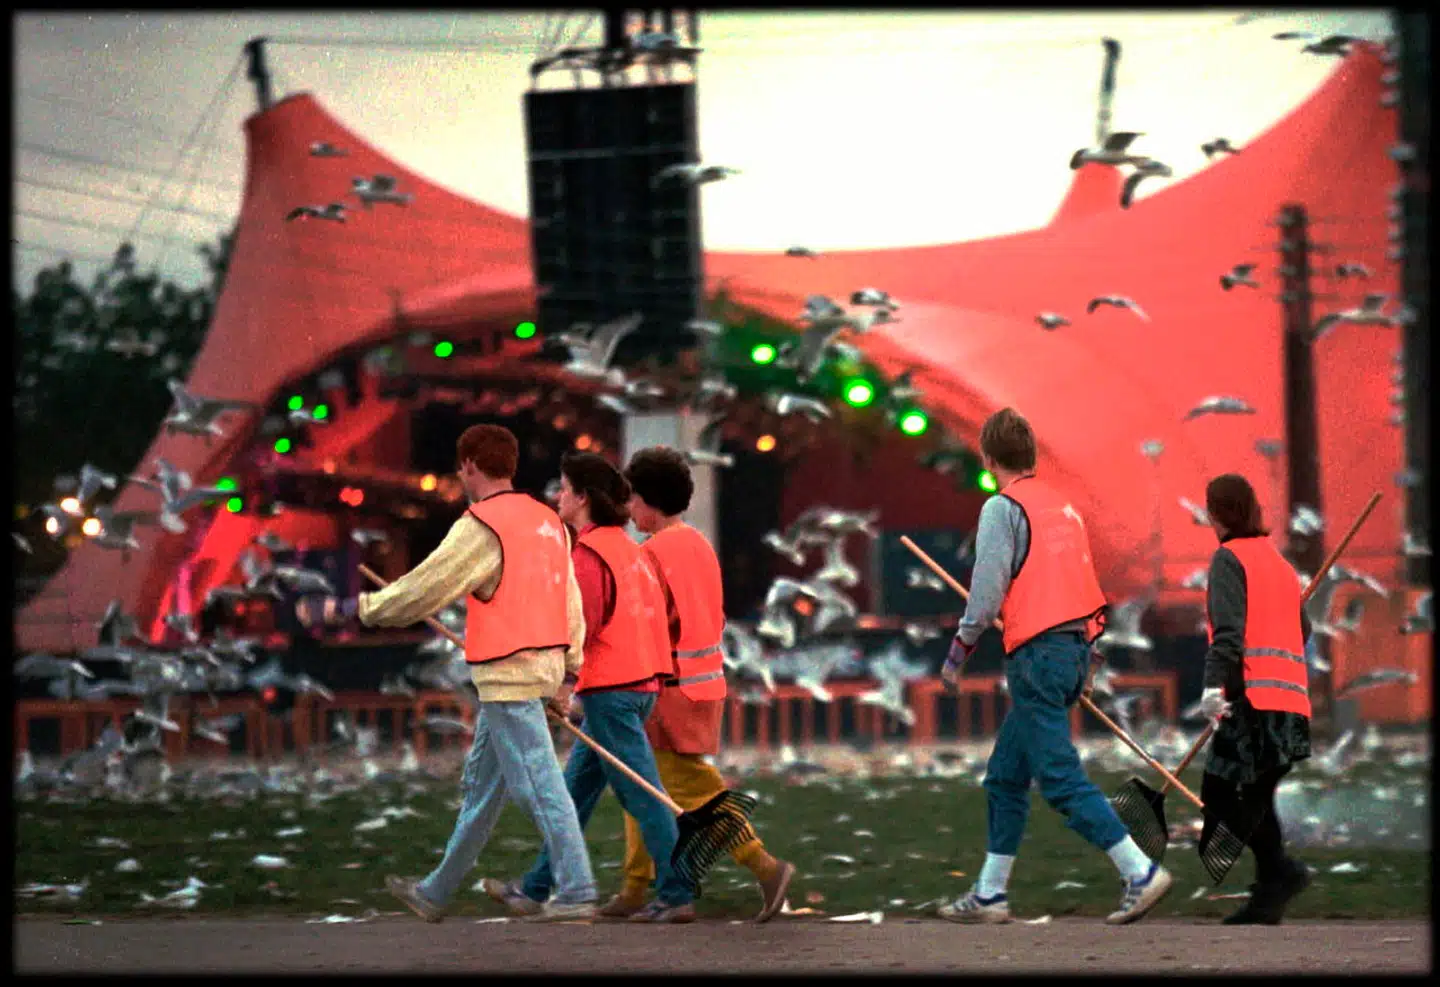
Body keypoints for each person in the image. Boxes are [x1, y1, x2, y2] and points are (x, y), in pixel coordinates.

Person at [309, 423, 599, 923]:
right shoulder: (548, 521)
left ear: (468, 465)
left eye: (460, 468)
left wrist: (354, 609)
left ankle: (578, 889)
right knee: (483, 792)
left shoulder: (481, 525)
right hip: (538, 669)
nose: (460, 475)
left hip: (509, 675)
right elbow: (569, 601)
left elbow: (423, 589)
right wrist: (569, 673)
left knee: (539, 785)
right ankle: (435, 891)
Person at [938, 407, 1173, 926]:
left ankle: (1138, 871)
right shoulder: (1064, 509)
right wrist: (1090, 658)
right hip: (1071, 651)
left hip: (1037, 658)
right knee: (1005, 778)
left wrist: (959, 652)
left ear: (988, 458)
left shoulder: (1002, 509)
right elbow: (1085, 585)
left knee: (1060, 780)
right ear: (1032, 455)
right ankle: (990, 894)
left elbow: (986, 594)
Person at [484, 451, 697, 923]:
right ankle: (535, 888)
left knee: (643, 794)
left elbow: (582, 628)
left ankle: (677, 893)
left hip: (612, 691)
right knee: (574, 792)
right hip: (638, 686)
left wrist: (563, 687)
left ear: (582, 498)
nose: (558, 497)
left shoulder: (588, 555)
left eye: (564, 488)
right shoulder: (628, 548)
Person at [600, 446, 795, 923]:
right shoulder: (698, 545)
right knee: (642, 783)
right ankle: (634, 887)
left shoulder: (649, 554)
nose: (628, 510)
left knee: (687, 790)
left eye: (632, 500)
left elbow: (643, 625)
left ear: (647, 500)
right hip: (704, 681)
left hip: (667, 688)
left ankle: (765, 868)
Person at [1196, 472, 1313, 925]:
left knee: (1219, 792)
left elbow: (1228, 633)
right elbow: (1304, 630)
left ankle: (1281, 871)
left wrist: (1212, 687)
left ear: (1215, 513)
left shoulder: (1229, 559)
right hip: (1290, 703)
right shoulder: (1279, 564)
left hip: (1252, 701)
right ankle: (1269, 894)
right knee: (1258, 796)